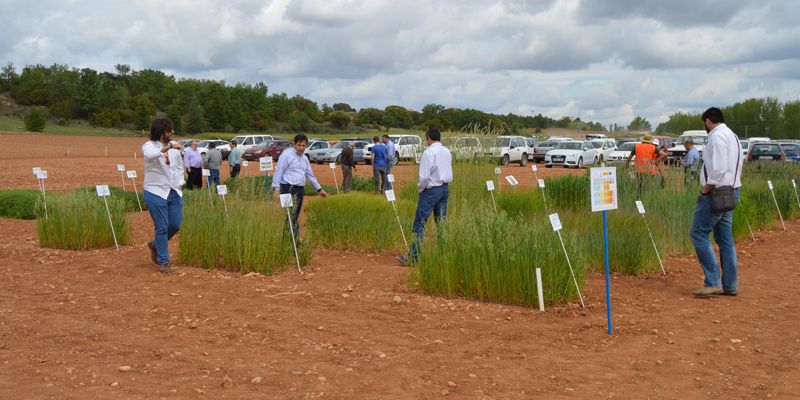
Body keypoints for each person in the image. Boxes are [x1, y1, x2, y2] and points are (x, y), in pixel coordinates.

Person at [691, 107, 743, 297]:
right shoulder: (733, 136)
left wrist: (706, 188)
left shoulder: (716, 136)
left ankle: (713, 282)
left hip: (716, 193)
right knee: (725, 240)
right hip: (732, 190)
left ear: (708, 121)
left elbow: (719, 168)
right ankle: (730, 285)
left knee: (698, 233)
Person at [396, 129, 452, 266]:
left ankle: (414, 258)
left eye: (426, 139)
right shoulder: (447, 151)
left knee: (419, 222)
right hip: (444, 188)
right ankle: (443, 255)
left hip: (431, 189)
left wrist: (421, 189)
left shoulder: (428, 152)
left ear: (429, 138)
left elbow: (424, 177)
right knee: (441, 223)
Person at [141, 118, 183, 273]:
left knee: (175, 225)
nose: (172, 133)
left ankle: (155, 245)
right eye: (170, 130)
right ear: (162, 131)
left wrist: (180, 182)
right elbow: (152, 156)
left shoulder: (174, 146)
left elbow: (178, 166)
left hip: (173, 191)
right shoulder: (148, 146)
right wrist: (169, 147)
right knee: (162, 227)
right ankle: (163, 262)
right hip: (155, 191)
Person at [272, 134, 329, 238]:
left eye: (304, 146)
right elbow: (279, 171)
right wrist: (276, 189)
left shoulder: (304, 158)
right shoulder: (286, 155)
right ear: (294, 144)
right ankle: (294, 241)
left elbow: (310, 175)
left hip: (300, 189)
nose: (301, 148)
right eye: (299, 145)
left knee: (295, 215)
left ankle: (287, 239)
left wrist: (319, 189)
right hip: (287, 188)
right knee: (290, 215)